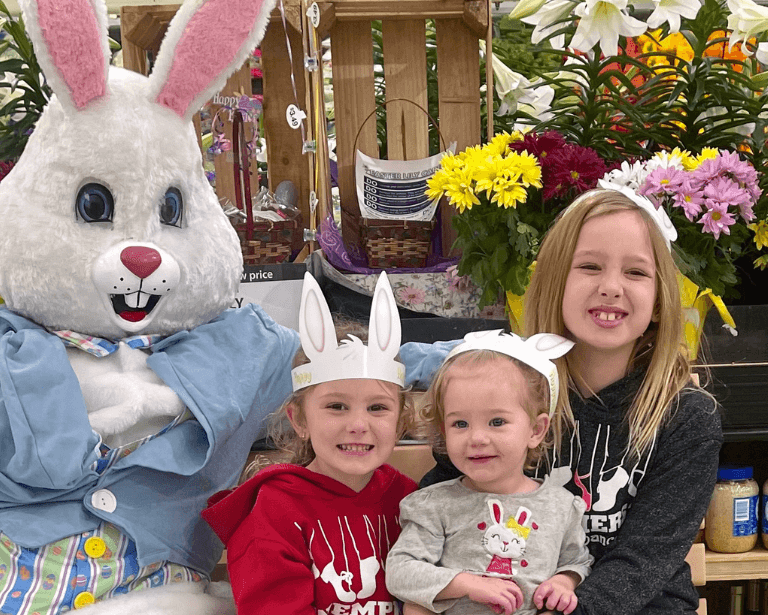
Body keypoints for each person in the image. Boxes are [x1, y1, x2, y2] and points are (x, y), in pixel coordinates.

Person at [417, 188, 723, 615]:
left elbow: (643, 562)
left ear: (659, 301)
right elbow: (440, 501)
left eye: (636, 272)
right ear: (555, 282)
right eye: (590, 266)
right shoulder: (500, 392)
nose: (611, 287)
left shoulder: (687, 417)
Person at [202, 272, 417, 615]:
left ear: (401, 422)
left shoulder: (410, 499)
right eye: (336, 407)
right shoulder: (274, 513)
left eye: (377, 408)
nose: (358, 425)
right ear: (299, 420)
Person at [386, 331, 593, 615]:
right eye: (460, 424)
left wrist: (564, 582)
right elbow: (400, 572)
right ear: (444, 431)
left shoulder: (563, 506)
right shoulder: (432, 504)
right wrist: (467, 584)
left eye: (496, 421)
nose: (477, 438)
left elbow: (578, 561)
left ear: (536, 430)